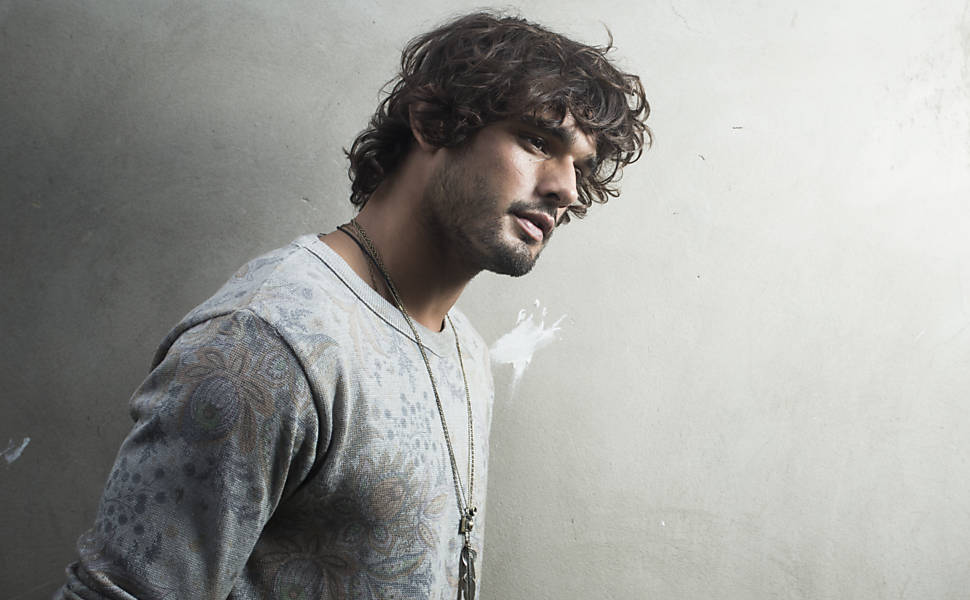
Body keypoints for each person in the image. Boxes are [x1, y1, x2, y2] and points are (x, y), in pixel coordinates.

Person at [58, 11, 650, 599]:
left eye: (580, 166)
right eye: (538, 141)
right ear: (432, 122)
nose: (566, 189)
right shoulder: (266, 342)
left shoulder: (463, 348)